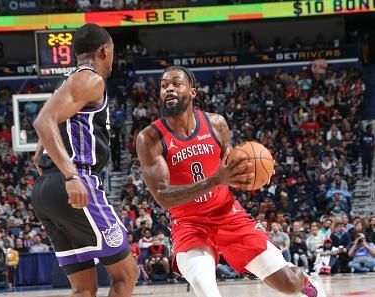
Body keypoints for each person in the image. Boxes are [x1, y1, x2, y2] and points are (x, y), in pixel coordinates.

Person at [136, 66, 325, 297]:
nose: (169, 89)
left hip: (228, 214)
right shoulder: (149, 138)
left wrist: (254, 172)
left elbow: (231, 167)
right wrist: (214, 180)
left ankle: (305, 280)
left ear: (193, 92)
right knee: (207, 290)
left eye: (176, 83)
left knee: (288, 283)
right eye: (164, 86)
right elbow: (163, 196)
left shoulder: (216, 124)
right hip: (188, 224)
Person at [31, 23, 138, 297]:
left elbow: (38, 151)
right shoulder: (89, 79)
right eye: (113, 51)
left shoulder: (66, 81)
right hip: (75, 181)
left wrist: (53, 165)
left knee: (83, 289)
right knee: (127, 274)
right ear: (105, 50)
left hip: (45, 188)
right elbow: (43, 121)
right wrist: (71, 175)